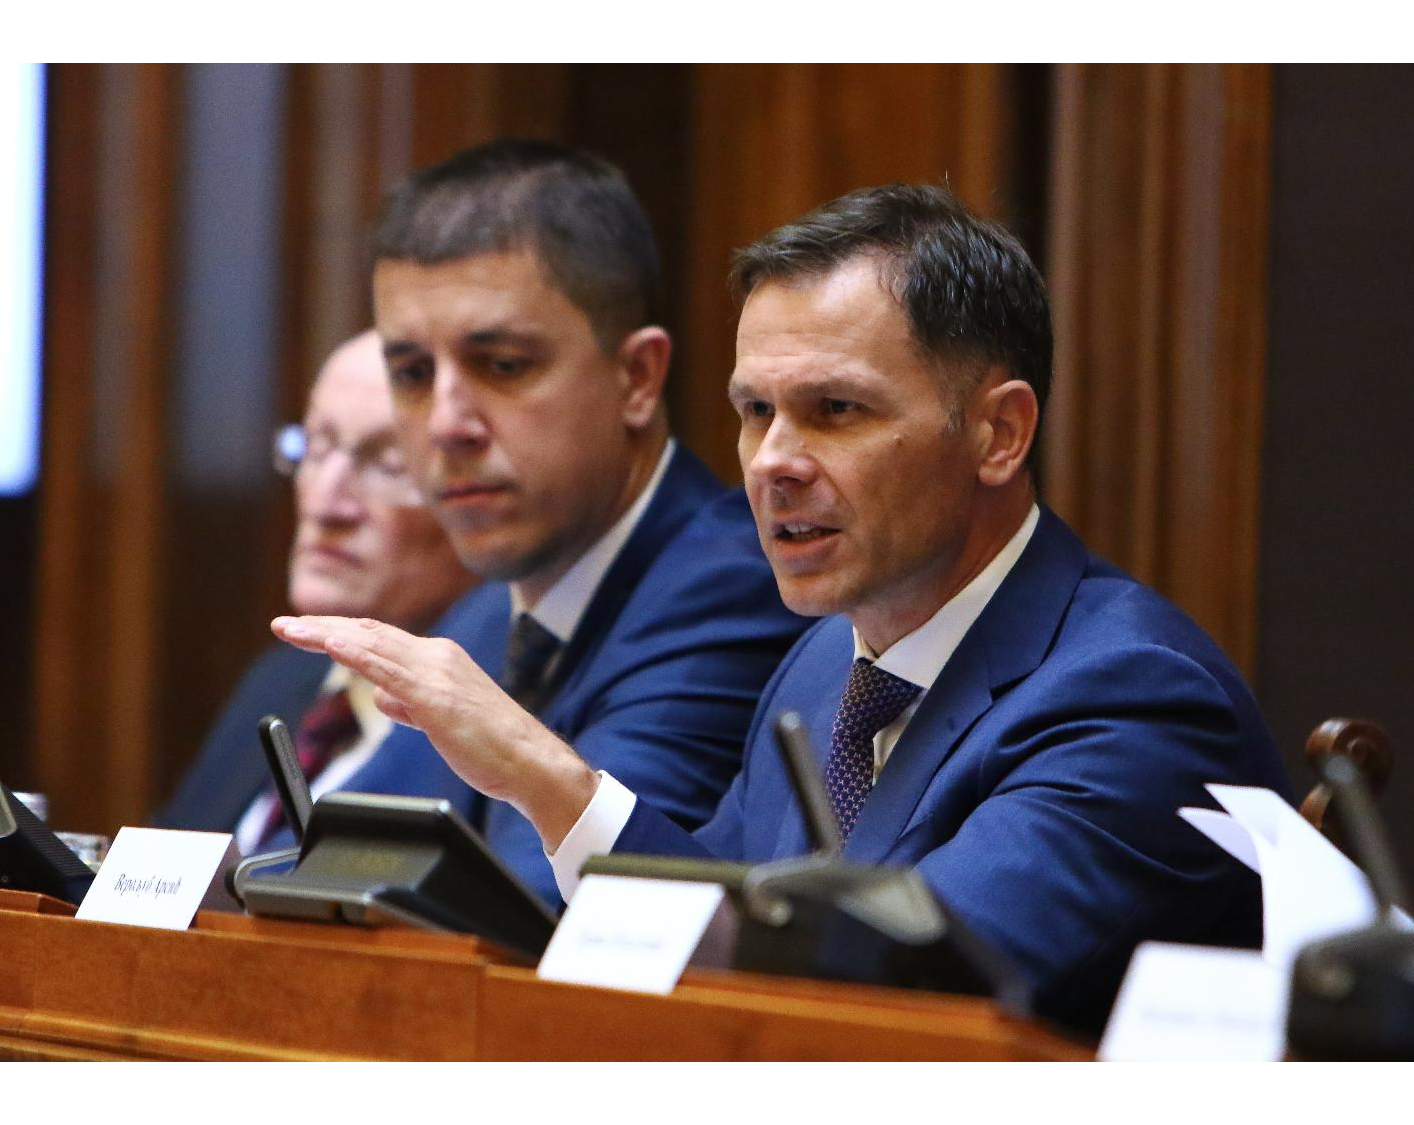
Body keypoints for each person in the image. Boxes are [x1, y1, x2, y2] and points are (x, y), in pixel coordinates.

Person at [274, 184, 1289, 1030]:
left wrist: (550, 780)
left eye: (835, 411)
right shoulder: (821, 665)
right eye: (755, 411)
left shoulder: (1134, 697)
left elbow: (913, 984)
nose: (771, 463)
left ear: (999, 435)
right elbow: (709, 920)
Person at [264, 140, 805, 905]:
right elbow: (323, 873)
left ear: (637, 378)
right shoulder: (489, 611)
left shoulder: (732, 593)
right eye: (412, 373)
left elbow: (538, 920)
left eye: (503, 365)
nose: (446, 424)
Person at [159, 331, 475, 849]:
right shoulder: (282, 680)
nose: (325, 504)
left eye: (391, 464)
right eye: (315, 446)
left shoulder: (496, 727)